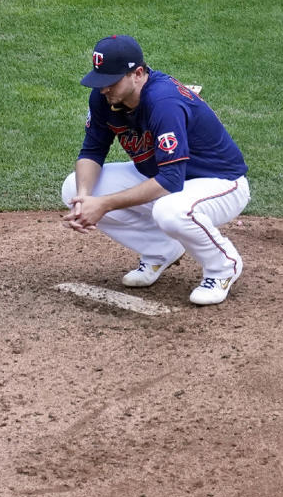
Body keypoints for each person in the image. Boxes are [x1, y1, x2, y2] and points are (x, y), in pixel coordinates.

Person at [61, 35, 250, 305]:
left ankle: (223, 267)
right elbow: (92, 151)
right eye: (100, 81)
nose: (104, 90)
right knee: (72, 187)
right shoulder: (104, 97)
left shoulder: (164, 102)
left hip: (219, 182)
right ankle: (161, 250)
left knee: (171, 210)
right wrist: (85, 197)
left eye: (111, 82)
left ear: (138, 74)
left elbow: (170, 180)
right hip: (162, 175)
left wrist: (103, 204)